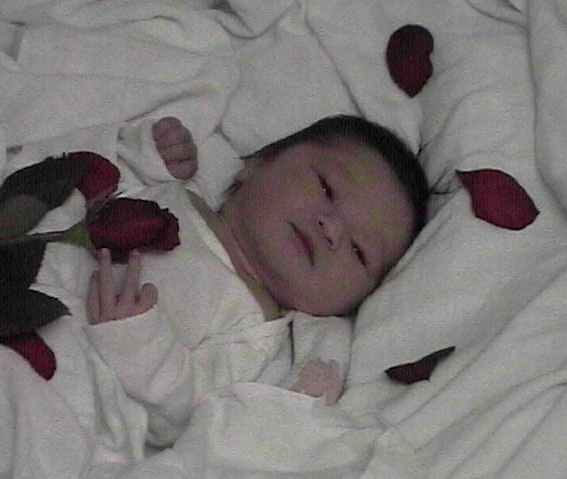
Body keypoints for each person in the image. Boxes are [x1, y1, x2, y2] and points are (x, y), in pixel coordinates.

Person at [84, 114, 429, 447]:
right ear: (255, 164)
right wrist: (151, 149)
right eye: (326, 188)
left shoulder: (255, 339)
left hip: (78, 369)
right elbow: (97, 174)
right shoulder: (174, 188)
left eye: (358, 251)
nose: (332, 229)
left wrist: (135, 343)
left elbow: (184, 414)